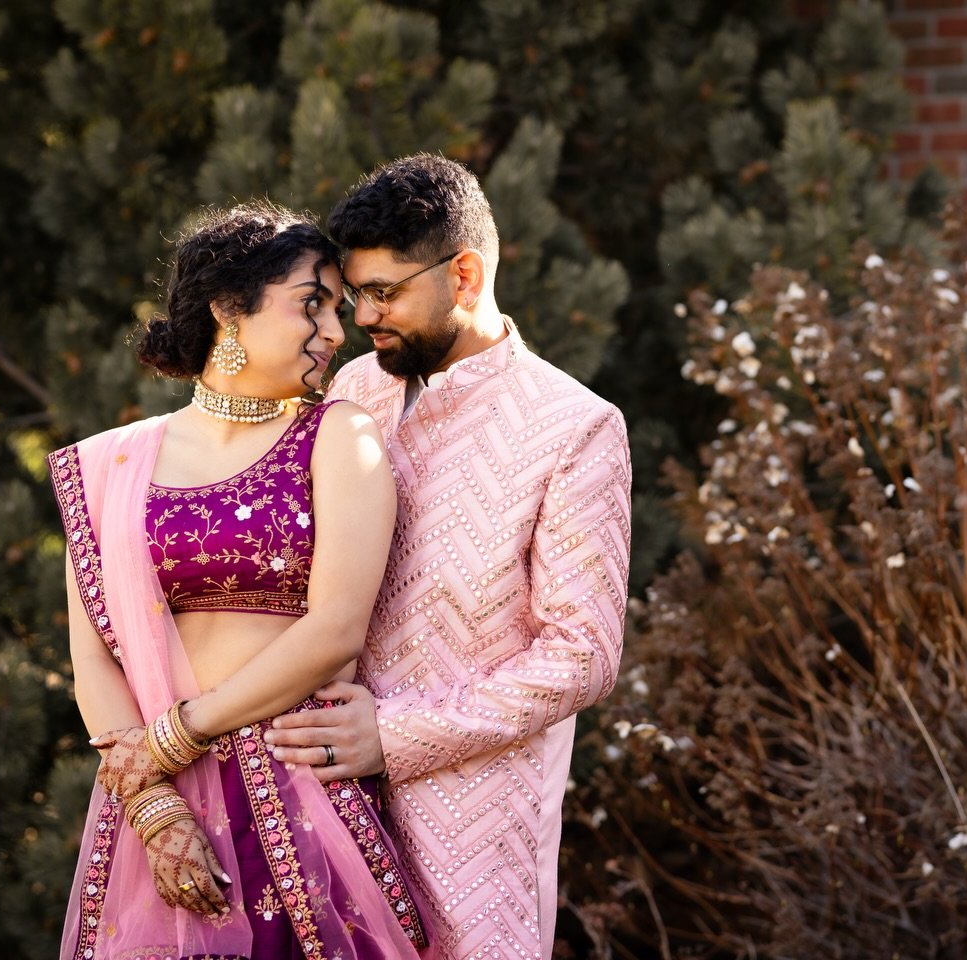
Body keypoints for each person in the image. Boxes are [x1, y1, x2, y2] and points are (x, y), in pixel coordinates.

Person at [263, 154, 633, 959]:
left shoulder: (574, 426)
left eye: (386, 292)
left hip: (477, 826)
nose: (362, 314)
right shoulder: (353, 390)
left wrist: (395, 736)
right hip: (322, 803)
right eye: (355, 292)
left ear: (463, 273)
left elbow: (583, 656)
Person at [48, 202, 427, 959]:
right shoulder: (110, 463)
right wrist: (155, 805)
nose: (334, 332)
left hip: (297, 793)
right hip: (154, 809)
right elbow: (93, 654)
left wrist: (174, 736)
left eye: (337, 310)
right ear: (228, 308)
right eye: (311, 305)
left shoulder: (335, 437)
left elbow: (334, 631)